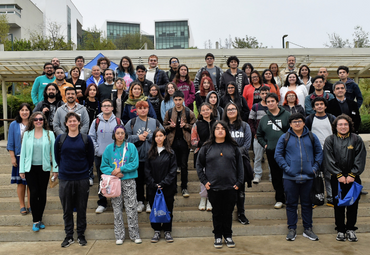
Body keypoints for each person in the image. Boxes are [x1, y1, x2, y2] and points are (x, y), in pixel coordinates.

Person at [275, 113, 323, 241]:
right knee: (291, 204)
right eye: (294, 121)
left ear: (304, 123)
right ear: (290, 124)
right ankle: (292, 228)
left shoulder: (312, 137)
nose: (297, 123)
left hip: (308, 177)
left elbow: (319, 153)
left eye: (299, 121)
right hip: (290, 177)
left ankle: (308, 229)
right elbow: (278, 155)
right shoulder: (284, 137)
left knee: (307, 204)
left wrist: (314, 168)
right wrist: (287, 169)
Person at [196, 121, 244, 249]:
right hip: (214, 188)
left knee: (228, 213)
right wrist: (204, 181)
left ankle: (228, 235)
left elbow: (240, 167)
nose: (220, 130)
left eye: (223, 128)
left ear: (227, 131)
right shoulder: (207, 147)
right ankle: (217, 236)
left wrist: (239, 183)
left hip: (230, 187)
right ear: (213, 131)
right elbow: (199, 166)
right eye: (217, 128)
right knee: (217, 213)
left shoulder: (233, 147)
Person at [323, 114, 366, 242]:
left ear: (349, 125)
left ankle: (351, 229)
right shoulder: (330, 140)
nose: (343, 127)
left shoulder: (356, 139)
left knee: (353, 205)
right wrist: (339, 175)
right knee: (338, 205)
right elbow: (328, 159)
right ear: (335, 126)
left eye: (345, 124)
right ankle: (340, 230)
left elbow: (360, 158)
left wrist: (352, 175)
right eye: (340, 124)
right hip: (337, 178)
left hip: (353, 178)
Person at [54, 112, 95, 247]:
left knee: (82, 208)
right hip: (65, 178)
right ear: (66, 124)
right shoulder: (60, 139)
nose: (72, 123)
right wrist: (65, 169)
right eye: (70, 121)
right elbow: (57, 158)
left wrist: (82, 170)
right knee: (67, 209)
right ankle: (69, 235)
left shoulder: (86, 139)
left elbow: (90, 159)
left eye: (74, 121)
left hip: (82, 178)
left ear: (79, 123)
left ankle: (81, 234)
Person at [100, 124, 142, 245]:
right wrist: (114, 172)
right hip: (114, 182)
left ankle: (134, 234)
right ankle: (119, 235)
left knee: (131, 207)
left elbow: (135, 163)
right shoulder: (108, 149)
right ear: (114, 135)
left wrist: (121, 169)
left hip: (129, 180)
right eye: (117, 133)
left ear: (125, 135)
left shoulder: (131, 147)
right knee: (117, 208)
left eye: (122, 133)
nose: (120, 135)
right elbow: (103, 166)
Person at [19, 112, 58, 232]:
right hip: (30, 168)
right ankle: (35, 220)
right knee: (34, 192)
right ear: (32, 121)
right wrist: (21, 169)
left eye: (40, 119)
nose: (38, 121)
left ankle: (39, 218)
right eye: (35, 119)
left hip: (44, 168)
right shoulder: (27, 134)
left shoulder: (50, 134)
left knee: (42, 193)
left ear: (44, 120)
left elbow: (54, 153)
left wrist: (55, 169)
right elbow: (23, 152)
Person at [125, 100, 164, 213]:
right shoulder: (131, 122)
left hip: (153, 157)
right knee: (139, 181)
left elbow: (162, 135)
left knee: (151, 181)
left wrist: (150, 136)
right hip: (137, 158)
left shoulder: (155, 122)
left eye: (145, 108)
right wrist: (138, 137)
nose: (143, 110)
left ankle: (150, 202)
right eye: (140, 108)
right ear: (136, 110)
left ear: (148, 109)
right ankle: (140, 201)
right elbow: (125, 138)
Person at [257, 93, 291, 209]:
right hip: (272, 151)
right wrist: (265, 145)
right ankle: (280, 198)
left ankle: (290, 197)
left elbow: (292, 131)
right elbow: (259, 135)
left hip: (287, 151)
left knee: (287, 174)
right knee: (276, 175)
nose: (270, 103)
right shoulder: (264, 119)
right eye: (268, 102)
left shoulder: (287, 115)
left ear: (277, 102)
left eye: (273, 101)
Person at [89, 99, 122, 213]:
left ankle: (116, 201)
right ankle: (102, 203)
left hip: (115, 157)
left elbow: (122, 136)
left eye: (109, 105)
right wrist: (97, 149)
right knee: (102, 179)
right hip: (100, 155)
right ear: (101, 108)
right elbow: (91, 137)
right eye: (104, 106)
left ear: (112, 108)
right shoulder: (96, 121)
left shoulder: (118, 121)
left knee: (116, 178)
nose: (107, 107)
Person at [145, 128, 177, 243]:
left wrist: (164, 183)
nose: (158, 138)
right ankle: (157, 230)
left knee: (168, 209)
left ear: (164, 137)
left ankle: (167, 230)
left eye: (160, 135)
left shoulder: (171, 153)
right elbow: (147, 171)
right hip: (153, 187)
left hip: (167, 187)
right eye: (156, 136)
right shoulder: (150, 153)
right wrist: (153, 184)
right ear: (154, 138)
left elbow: (173, 171)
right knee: (155, 209)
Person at [223, 102, 252, 225]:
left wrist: (235, 152)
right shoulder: (222, 126)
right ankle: (227, 212)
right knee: (227, 188)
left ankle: (241, 212)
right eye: (228, 109)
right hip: (225, 162)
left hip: (241, 161)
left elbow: (247, 144)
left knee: (240, 189)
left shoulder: (245, 126)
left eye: (233, 109)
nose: (231, 111)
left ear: (237, 110)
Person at [163, 90, 196, 198]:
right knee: (172, 166)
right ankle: (173, 187)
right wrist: (170, 127)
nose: (178, 102)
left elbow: (195, 127)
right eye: (176, 100)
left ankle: (184, 187)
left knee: (184, 165)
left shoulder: (188, 112)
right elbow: (163, 127)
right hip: (171, 142)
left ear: (183, 100)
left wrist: (185, 125)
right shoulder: (168, 112)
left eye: (180, 100)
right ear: (173, 100)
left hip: (184, 142)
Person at [305, 97, 336, 207]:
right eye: (317, 104)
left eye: (321, 104)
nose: (319, 106)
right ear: (313, 107)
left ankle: (331, 197)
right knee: (316, 175)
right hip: (315, 151)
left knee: (328, 175)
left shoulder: (332, 118)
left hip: (329, 151)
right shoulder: (309, 119)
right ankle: (317, 198)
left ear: (325, 106)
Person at [191, 103, 216, 211]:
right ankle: (203, 198)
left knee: (213, 176)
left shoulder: (217, 123)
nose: (205, 112)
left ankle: (210, 198)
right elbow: (193, 141)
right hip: (201, 153)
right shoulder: (197, 124)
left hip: (215, 154)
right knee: (203, 178)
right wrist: (203, 144)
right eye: (203, 110)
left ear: (211, 110)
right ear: (200, 112)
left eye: (207, 109)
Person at [7, 103, 31, 215]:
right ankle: (22, 205)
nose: (24, 112)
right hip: (18, 157)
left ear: (30, 112)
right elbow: (10, 142)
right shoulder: (14, 124)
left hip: (31, 158)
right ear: (19, 112)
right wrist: (13, 157)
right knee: (20, 183)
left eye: (27, 110)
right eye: (22, 110)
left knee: (31, 183)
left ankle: (30, 204)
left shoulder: (33, 124)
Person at [247, 86, 270, 183]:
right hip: (258, 136)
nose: (265, 95)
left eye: (266, 93)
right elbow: (250, 121)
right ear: (259, 94)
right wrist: (254, 133)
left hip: (270, 137)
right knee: (257, 157)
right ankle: (257, 174)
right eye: (263, 93)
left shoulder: (273, 106)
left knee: (271, 157)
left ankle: (272, 175)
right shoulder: (255, 106)